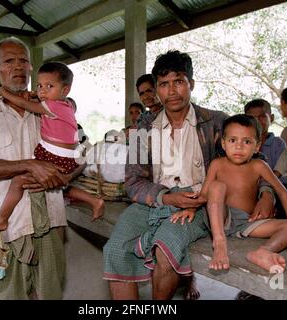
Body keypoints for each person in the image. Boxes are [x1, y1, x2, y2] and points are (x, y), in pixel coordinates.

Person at [103, 50, 276, 300]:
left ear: (191, 84)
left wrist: (266, 193)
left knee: (165, 249)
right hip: (156, 201)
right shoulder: (143, 128)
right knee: (115, 250)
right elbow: (133, 182)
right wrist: (166, 197)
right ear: (157, 89)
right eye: (164, 84)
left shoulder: (215, 122)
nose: (172, 91)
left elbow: (253, 160)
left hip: (200, 203)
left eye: (179, 81)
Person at [0, 37, 80, 299]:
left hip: (50, 218)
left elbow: (77, 154)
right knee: (12, 294)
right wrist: (29, 165)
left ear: (31, 68)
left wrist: (65, 176)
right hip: (9, 222)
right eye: (9, 61)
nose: (18, 66)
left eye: (24, 61)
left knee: (50, 293)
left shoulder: (50, 107)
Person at [0, 61, 104, 230]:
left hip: (54, 156)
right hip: (67, 158)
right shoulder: (68, 105)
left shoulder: (50, 106)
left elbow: (22, 104)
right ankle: (94, 200)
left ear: (65, 90)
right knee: (58, 185)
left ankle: (1, 218)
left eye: (49, 86)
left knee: (18, 181)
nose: (42, 90)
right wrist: (39, 94)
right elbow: (45, 96)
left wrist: (2, 91)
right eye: (39, 85)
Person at [177, 114, 287, 273]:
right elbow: (205, 194)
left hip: (247, 222)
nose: (239, 146)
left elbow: (283, 193)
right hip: (221, 218)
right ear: (223, 143)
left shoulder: (259, 165)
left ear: (257, 146)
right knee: (217, 186)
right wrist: (191, 209)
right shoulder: (217, 164)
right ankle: (219, 243)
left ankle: (264, 251)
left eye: (247, 141)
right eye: (232, 140)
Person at [244, 99, 285, 169]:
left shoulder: (278, 144)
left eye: (262, 116)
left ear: (271, 118)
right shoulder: (240, 142)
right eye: (252, 118)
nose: (257, 121)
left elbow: (280, 172)